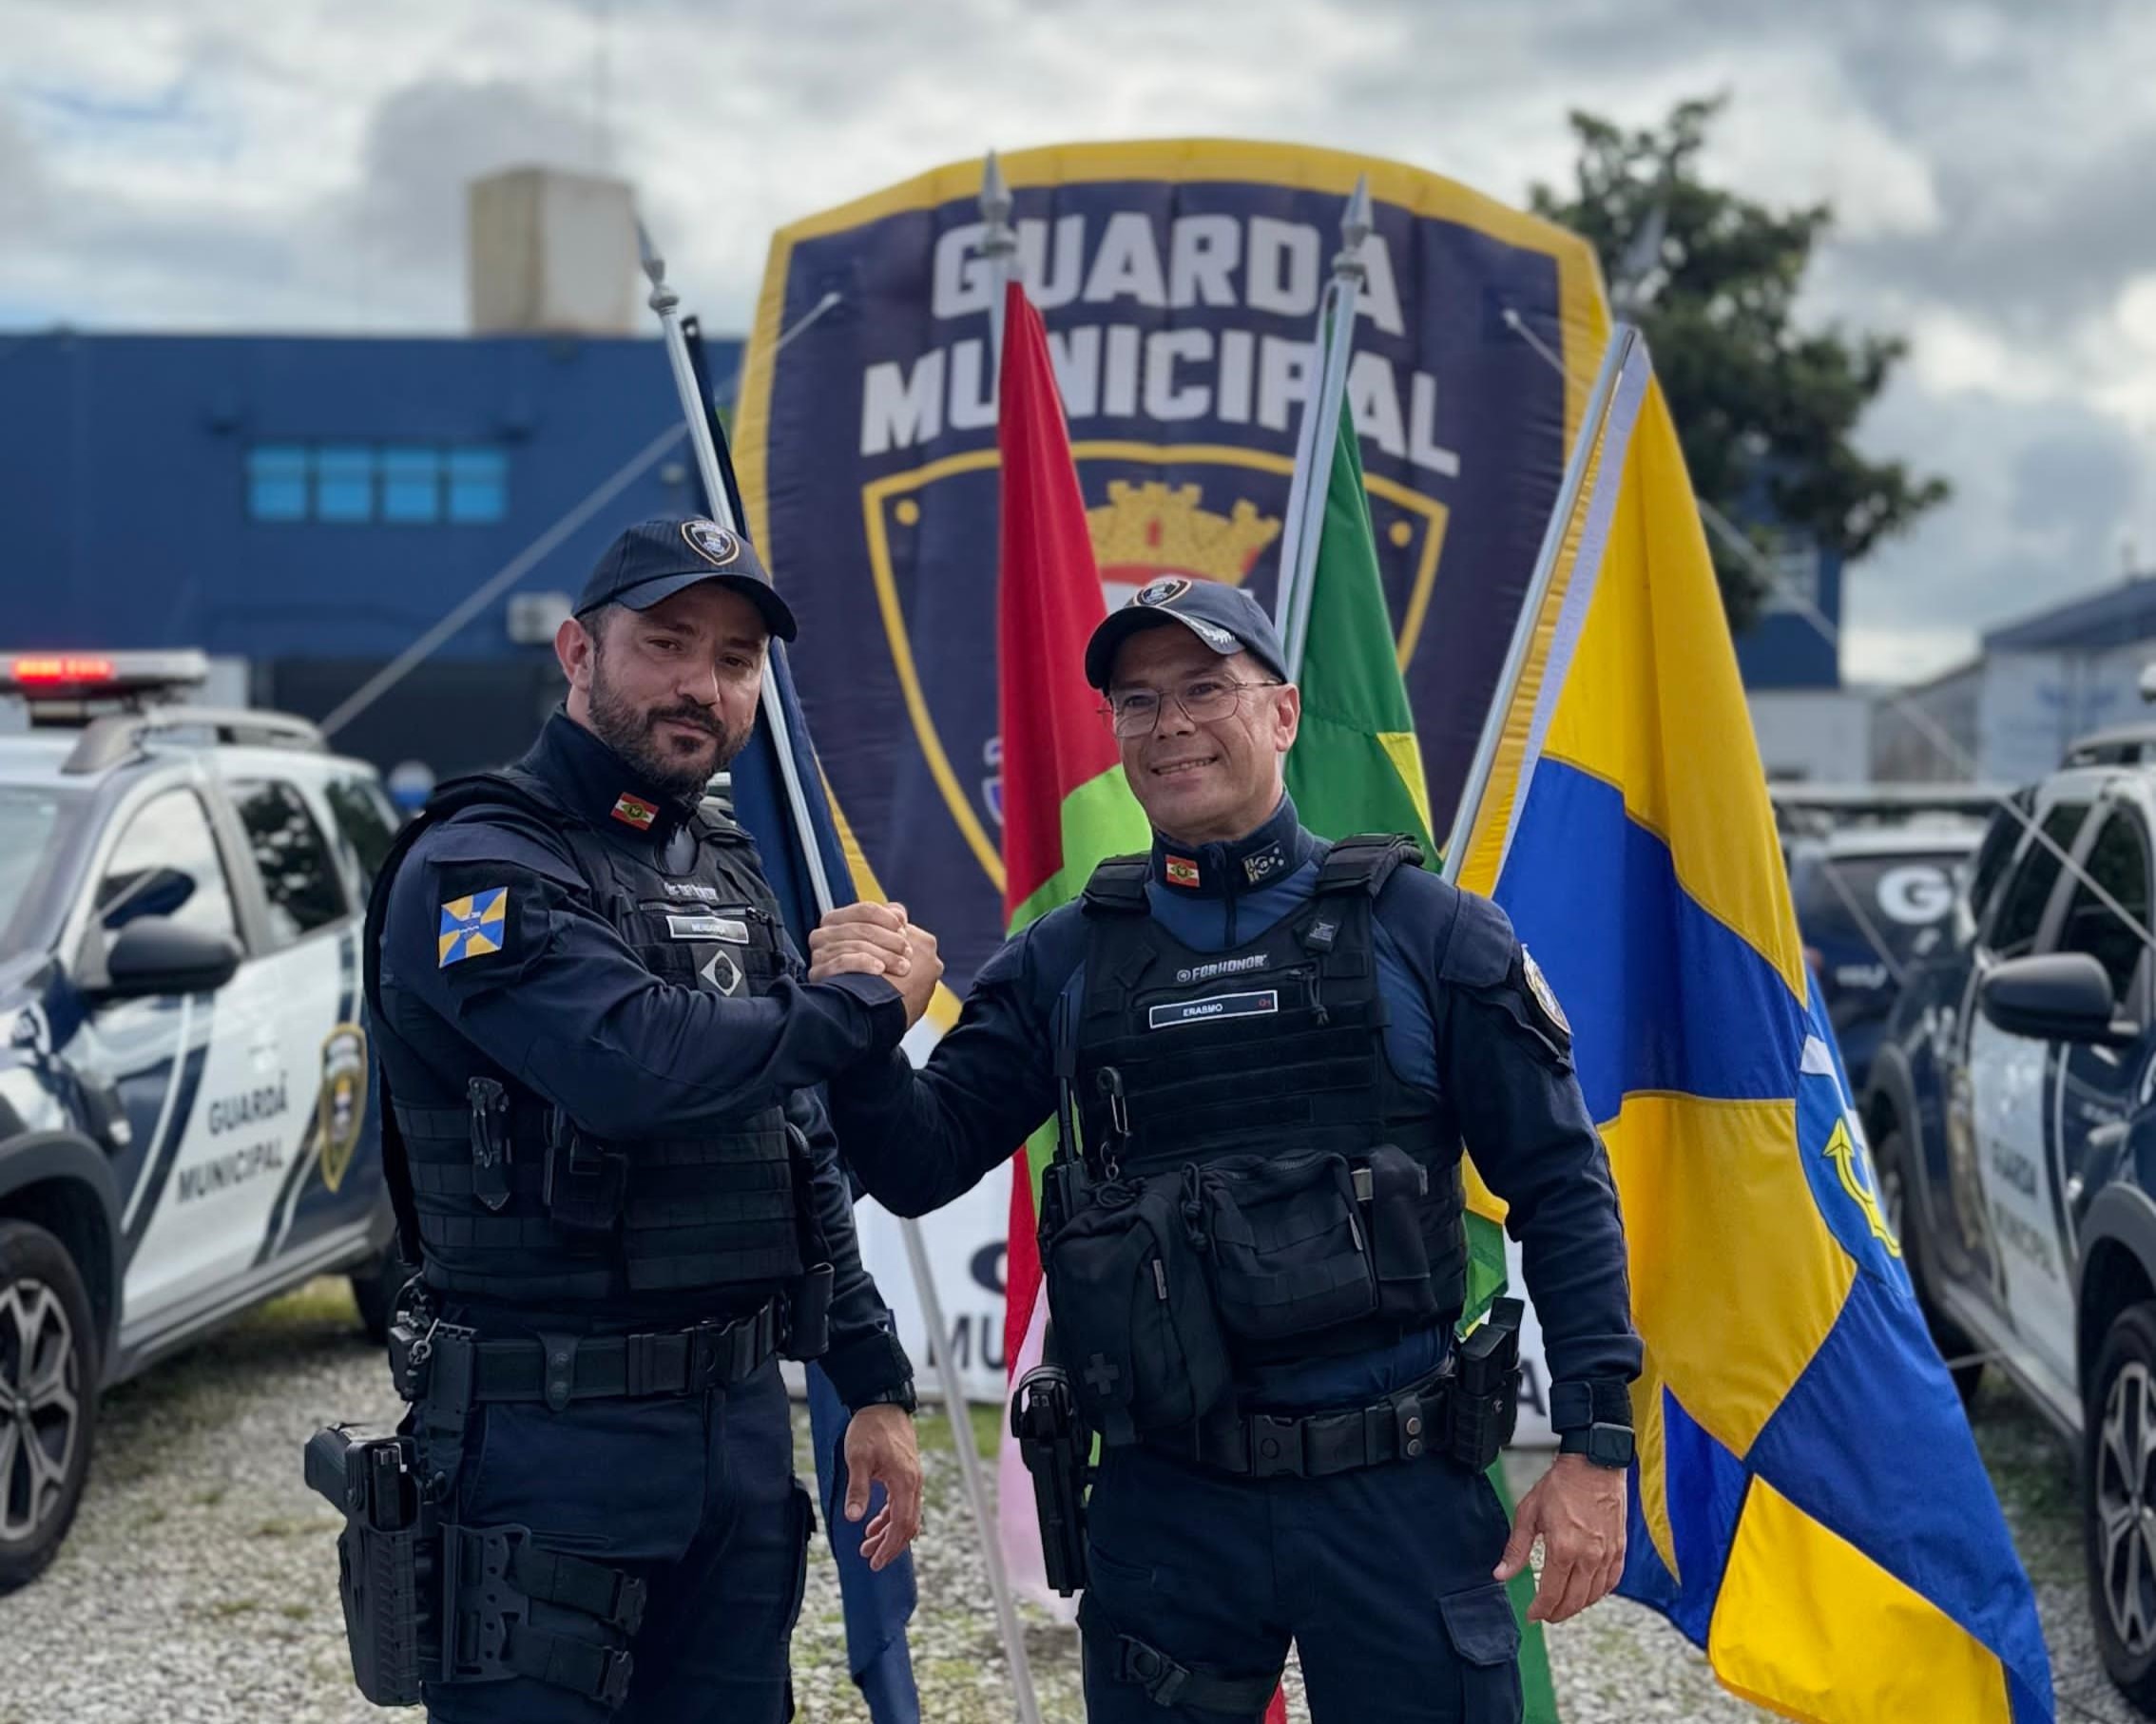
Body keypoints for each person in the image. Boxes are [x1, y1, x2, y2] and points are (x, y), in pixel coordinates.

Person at [810, 578, 1641, 1724]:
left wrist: (1598, 1442)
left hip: (1397, 1486)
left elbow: (1561, 1184)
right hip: (1169, 1502)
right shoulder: (1064, 960)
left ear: (1286, 712)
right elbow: (916, 1163)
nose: (1171, 725)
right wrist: (861, 1030)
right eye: (1138, 702)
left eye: (1206, 687)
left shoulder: (1429, 932)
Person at [363, 515, 935, 1722]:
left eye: (734, 660)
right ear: (578, 650)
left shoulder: (723, 862)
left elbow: (795, 1146)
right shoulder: (478, 867)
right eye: (666, 643)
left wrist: (872, 1377)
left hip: (730, 1437)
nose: (702, 684)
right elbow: (635, 1064)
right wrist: (859, 1002)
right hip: (544, 1444)